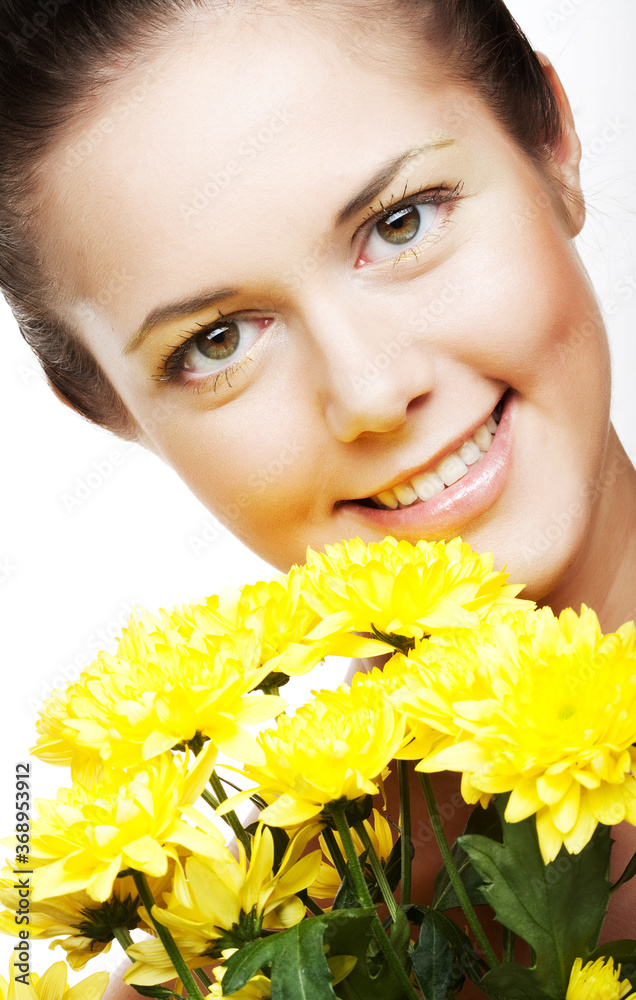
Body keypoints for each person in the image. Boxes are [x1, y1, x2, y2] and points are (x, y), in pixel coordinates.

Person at [1, 0, 635, 995]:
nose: (374, 392)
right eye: (218, 341)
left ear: (551, 144)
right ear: (109, 409)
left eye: (402, 222)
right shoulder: (209, 970)